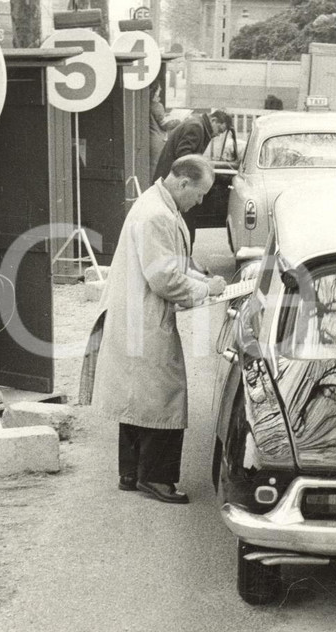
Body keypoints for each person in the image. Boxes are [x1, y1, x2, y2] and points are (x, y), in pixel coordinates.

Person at [80, 155, 227, 505]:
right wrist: (207, 289)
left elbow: (168, 265)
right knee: (164, 391)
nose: (201, 202)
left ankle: (131, 472)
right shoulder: (158, 215)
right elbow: (164, 277)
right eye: (200, 193)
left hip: (135, 311)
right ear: (182, 183)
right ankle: (157, 478)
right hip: (143, 315)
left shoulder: (157, 205)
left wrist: (201, 279)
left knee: (137, 393)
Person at [152, 109, 230, 246]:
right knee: (183, 226)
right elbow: (185, 155)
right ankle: (184, 258)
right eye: (220, 129)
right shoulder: (196, 127)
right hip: (174, 184)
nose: (218, 134)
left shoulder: (197, 125)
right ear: (213, 120)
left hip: (172, 182)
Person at [148, 84, 179, 180]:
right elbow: (166, 125)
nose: (160, 91)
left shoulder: (148, 104)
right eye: (159, 89)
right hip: (158, 140)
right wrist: (178, 121)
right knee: (156, 167)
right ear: (155, 91)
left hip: (150, 138)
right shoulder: (157, 105)